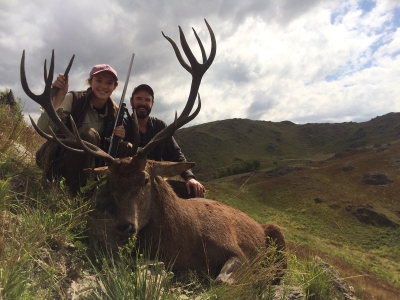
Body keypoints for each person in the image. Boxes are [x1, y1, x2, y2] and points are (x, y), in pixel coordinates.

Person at [36, 64, 129, 195]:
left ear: (114, 87)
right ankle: (74, 194)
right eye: (99, 80)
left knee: (126, 147)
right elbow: (44, 129)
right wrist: (58, 98)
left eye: (109, 83)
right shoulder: (74, 99)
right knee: (88, 135)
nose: (103, 86)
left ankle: (113, 193)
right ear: (90, 82)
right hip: (60, 162)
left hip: (93, 166)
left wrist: (119, 136)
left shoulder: (116, 112)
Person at [125, 84, 205, 198]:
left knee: (193, 191)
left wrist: (189, 177)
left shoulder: (160, 126)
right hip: (130, 184)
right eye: (139, 99)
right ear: (131, 102)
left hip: (155, 183)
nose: (143, 103)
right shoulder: (123, 126)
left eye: (147, 100)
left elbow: (175, 153)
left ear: (152, 104)